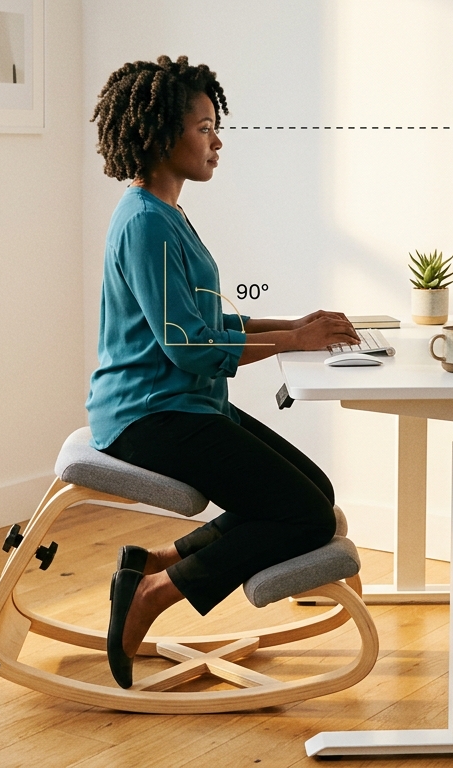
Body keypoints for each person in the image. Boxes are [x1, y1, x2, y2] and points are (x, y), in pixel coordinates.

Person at [86, 56, 360, 688]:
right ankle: (156, 592)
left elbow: (204, 320)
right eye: (204, 127)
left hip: (182, 402)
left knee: (312, 490)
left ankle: (150, 559)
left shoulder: (164, 213)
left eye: (216, 126)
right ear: (160, 134)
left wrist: (293, 326)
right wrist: (295, 338)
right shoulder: (148, 223)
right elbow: (186, 345)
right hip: (151, 412)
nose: (217, 141)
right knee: (306, 517)